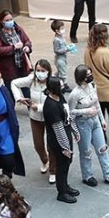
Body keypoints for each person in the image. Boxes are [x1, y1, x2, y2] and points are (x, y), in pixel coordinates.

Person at [68, 65, 109, 187]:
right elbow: (71, 112)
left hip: (95, 121)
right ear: (81, 77)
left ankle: (108, 174)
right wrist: (86, 111)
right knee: (86, 152)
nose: (90, 76)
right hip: (83, 124)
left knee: (102, 149)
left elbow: (96, 104)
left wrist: (102, 120)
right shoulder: (75, 94)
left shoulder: (92, 86)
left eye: (90, 73)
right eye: (88, 75)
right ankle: (87, 176)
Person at [10, 60, 53, 183]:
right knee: (38, 145)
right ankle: (45, 160)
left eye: (43, 71)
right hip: (35, 118)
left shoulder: (53, 82)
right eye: (38, 70)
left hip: (50, 118)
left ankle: (53, 170)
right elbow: (14, 83)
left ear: (48, 72)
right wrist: (19, 98)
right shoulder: (31, 79)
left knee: (52, 146)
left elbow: (56, 103)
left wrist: (38, 107)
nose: (40, 73)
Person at [84, 24, 109, 149]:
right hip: (107, 89)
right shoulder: (105, 52)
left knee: (99, 115)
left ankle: (102, 139)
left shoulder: (87, 50)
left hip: (94, 89)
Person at [43, 76, 77, 204]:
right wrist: (65, 147)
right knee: (62, 165)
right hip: (58, 140)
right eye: (60, 86)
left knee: (67, 162)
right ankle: (61, 192)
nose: (63, 88)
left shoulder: (60, 97)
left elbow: (67, 114)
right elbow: (58, 129)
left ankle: (65, 186)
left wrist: (74, 130)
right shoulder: (50, 105)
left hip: (66, 134)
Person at [0, 10, 33, 85]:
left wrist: (27, 47)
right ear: (1, 21)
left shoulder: (18, 29)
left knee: (25, 87)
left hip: (22, 65)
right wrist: (13, 47)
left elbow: (27, 40)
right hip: (9, 69)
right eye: (7, 20)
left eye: (11, 19)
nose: (10, 22)